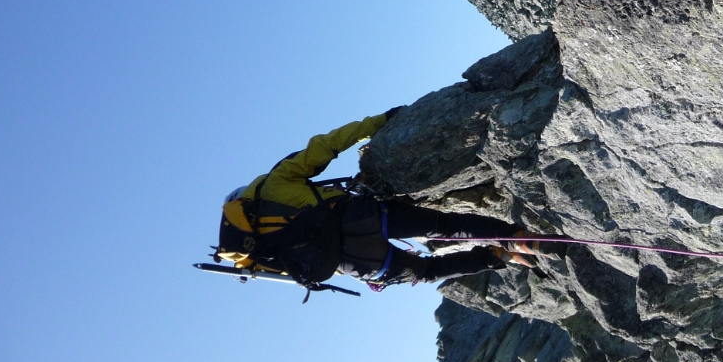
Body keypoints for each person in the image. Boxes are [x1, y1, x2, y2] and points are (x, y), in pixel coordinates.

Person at [213, 108, 542, 291]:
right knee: (444, 226)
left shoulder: (259, 256)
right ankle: (513, 237)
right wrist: (379, 123)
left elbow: (312, 262)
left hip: (359, 261)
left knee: (426, 271)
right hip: (361, 216)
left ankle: (498, 256)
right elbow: (326, 146)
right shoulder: (273, 184)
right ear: (245, 197)